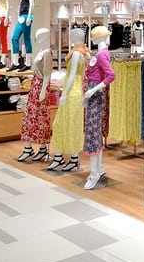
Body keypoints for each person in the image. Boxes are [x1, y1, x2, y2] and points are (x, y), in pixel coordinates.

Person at [45, 28, 88, 172]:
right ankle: (71, 158)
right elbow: (81, 76)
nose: (69, 37)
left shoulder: (76, 54)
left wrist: (64, 94)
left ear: (75, 37)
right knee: (70, 124)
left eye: (71, 35)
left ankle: (62, 158)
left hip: (71, 92)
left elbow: (72, 76)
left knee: (61, 124)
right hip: (77, 91)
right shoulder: (82, 53)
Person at [82, 25, 116, 189]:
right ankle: (99, 168)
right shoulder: (103, 53)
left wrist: (93, 90)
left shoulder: (102, 55)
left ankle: (94, 173)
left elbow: (111, 76)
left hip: (94, 94)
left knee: (92, 132)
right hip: (93, 94)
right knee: (95, 131)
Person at [16, 29, 56, 163]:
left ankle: (38, 148)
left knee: (40, 118)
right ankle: (31, 148)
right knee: (30, 117)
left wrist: (43, 91)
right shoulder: (40, 51)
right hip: (35, 86)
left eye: (40, 36)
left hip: (41, 87)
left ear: (45, 37)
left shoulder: (47, 53)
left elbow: (47, 74)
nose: (37, 38)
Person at [10, 0, 36, 71]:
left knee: (26, 39)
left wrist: (29, 17)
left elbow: (32, 4)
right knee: (14, 38)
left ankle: (28, 63)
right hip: (21, 17)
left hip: (26, 16)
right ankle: (15, 62)